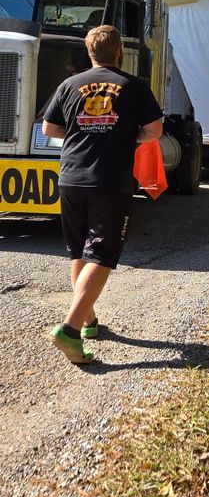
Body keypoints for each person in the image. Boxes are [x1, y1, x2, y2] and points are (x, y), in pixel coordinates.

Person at [42, 24, 163, 365]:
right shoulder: (134, 86)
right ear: (119, 52)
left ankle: (88, 321)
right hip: (109, 181)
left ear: (89, 52)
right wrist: (125, 135)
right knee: (102, 254)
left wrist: (81, 132)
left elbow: (50, 127)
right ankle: (69, 329)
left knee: (79, 251)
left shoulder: (69, 84)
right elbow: (154, 131)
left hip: (71, 178)